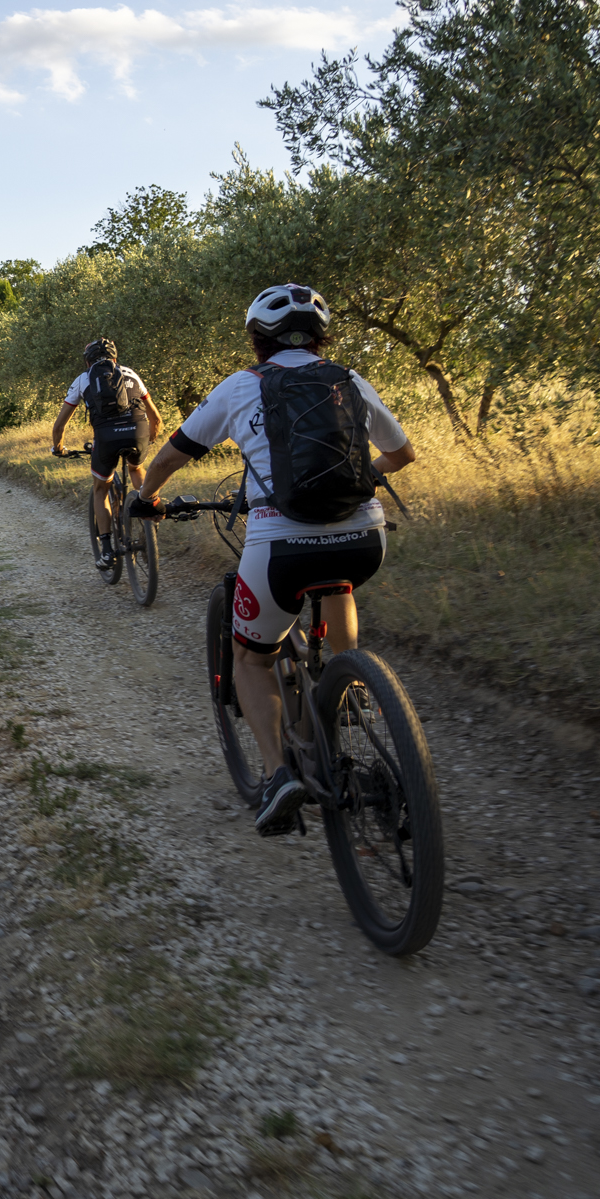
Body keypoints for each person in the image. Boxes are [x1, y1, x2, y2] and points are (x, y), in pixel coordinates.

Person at [128, 284, 418, 836]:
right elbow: (403, 453)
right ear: (320, 337)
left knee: (253, 660)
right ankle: (347, 684)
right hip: (364, 539)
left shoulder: (241, 387)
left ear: (257, 341)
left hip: (280, 546)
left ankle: (278, 774)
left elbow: (170, 454)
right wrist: (359, 476)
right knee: (339, 584)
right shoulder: (349, 381)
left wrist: (146, 500)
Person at [49, 339, 163, 569]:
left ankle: (108, 551)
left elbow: (59, 426)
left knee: (101, 488)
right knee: (135, 467)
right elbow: (156, 418)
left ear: (88, 360)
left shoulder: (83, 379)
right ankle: (149, 518)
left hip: (107, 437)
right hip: (137, 432)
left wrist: (58, 447)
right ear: (115, 358)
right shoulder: (131, 373)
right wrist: (149, 437)